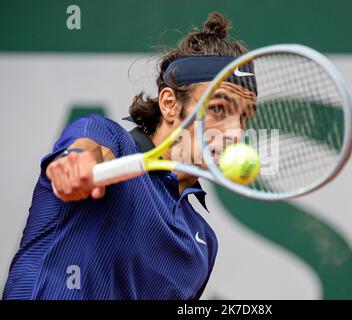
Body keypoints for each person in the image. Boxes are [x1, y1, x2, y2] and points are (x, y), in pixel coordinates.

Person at [2, 12, 257, 300]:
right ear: (170, 105)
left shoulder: (202, 245)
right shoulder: (108, 137)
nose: (235, 133)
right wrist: (77, 165)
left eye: (244, 118)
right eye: (219, 109)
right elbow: (88, 149)